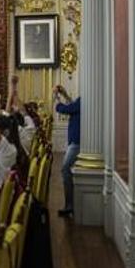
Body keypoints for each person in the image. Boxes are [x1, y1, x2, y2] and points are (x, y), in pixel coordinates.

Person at [54, 85, 81, 218]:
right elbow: (73, 105)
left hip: (77, 143)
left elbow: (63, 109)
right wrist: (64, 94)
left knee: (65, 169)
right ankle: (70, 204)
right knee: (66, 169)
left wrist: (56, 98)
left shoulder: (84, 101)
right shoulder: (83, 101)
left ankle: (70, 205)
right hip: (75, 142)